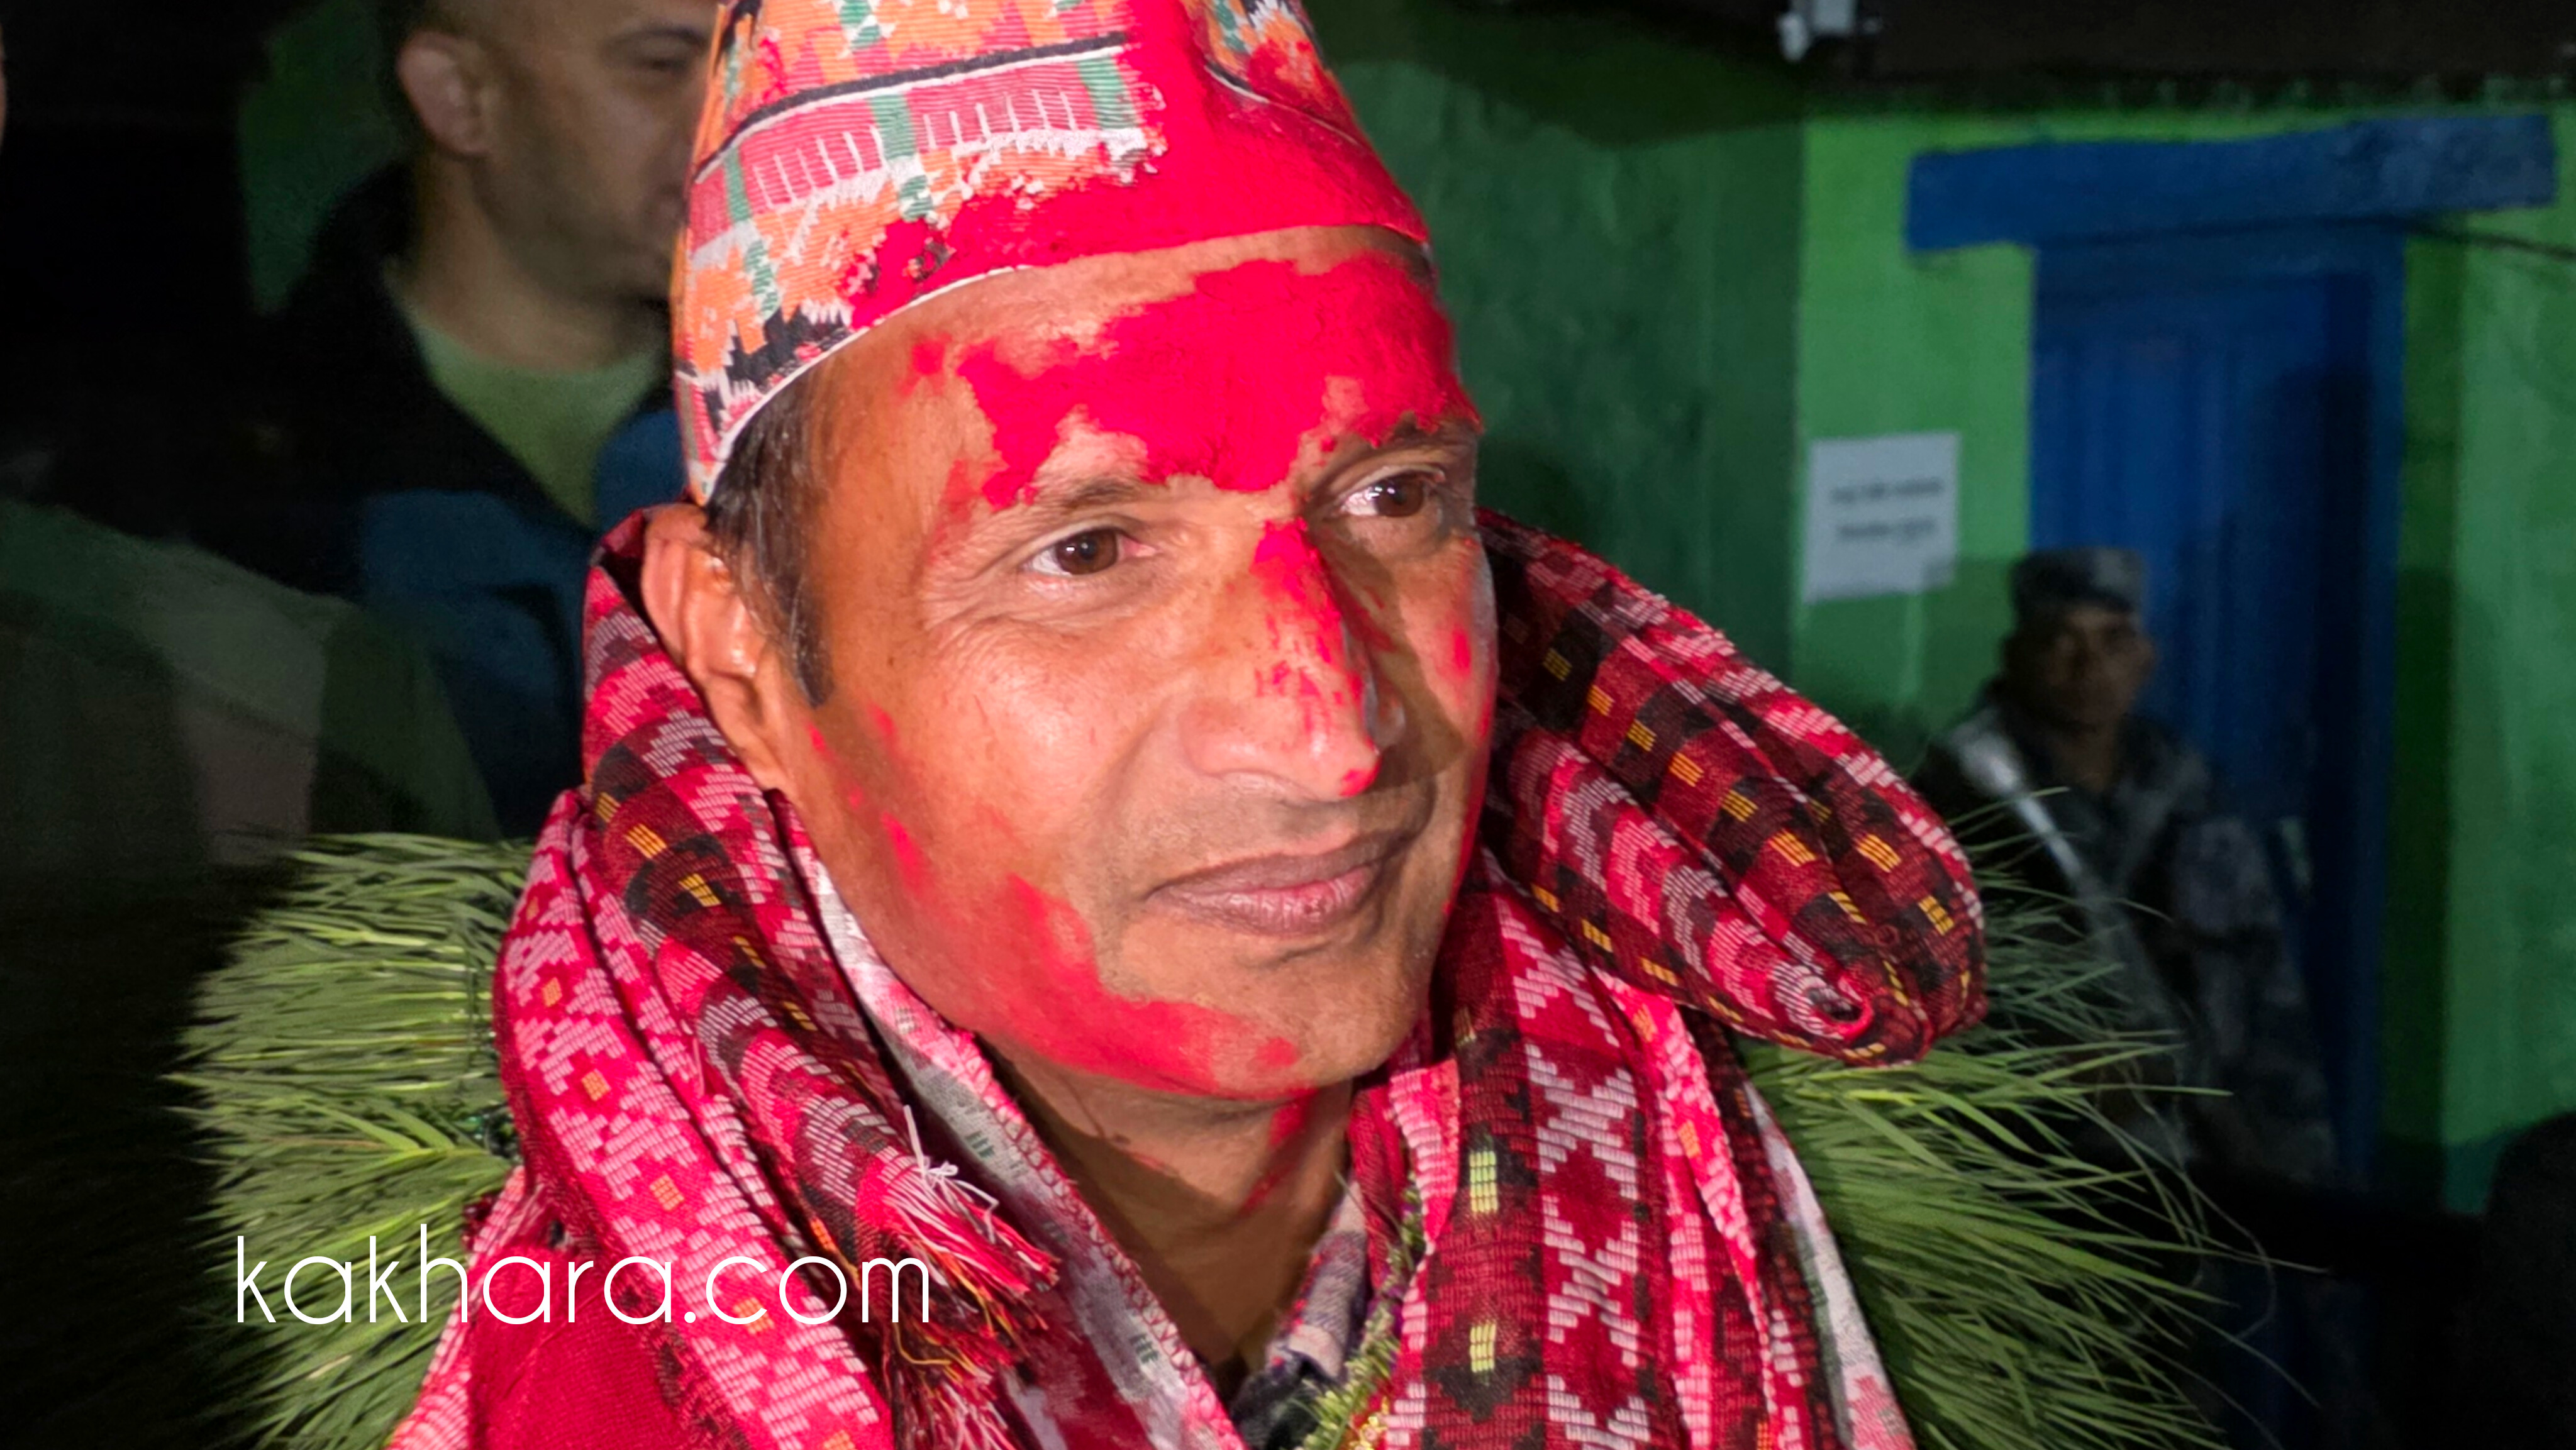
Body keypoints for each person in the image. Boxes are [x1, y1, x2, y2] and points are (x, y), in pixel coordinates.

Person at [387, 4, 1987, 1447]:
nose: (1334, 740)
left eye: (1393, 498)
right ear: (740, 659)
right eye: (1082, 552)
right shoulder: (575, 1354)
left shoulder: (1695, 1146)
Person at [197, 0, 713, 833]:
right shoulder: (229, 493)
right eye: (660, 64)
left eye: (740, 63)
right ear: (459, 96)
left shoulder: (794, 427)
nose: (728, 113)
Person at [1913, 548, 2336, 1187]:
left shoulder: (2185, 787)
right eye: (2061, 640)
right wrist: (2040, 1075)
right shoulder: (1959, 802)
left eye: (2114, 639)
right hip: (2041, 1177)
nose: (2090, 667)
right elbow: (1921, 1009)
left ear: (2146, 657)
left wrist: (2297, 1149)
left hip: (2205, 1158)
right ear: (2015, 655)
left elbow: (2261, 971)